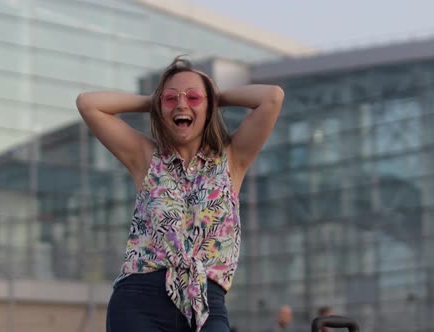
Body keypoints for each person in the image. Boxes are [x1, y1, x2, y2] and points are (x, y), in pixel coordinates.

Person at [76, 56, 284, 332]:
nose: (182, 105)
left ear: (209, 108)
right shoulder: (146, 157)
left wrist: (215, 96)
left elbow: (272, 97)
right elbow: (88, 104)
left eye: (194, 98)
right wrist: (152, 101)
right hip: (140, 301)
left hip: (207, 301)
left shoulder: (232, 158)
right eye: (171, 99)